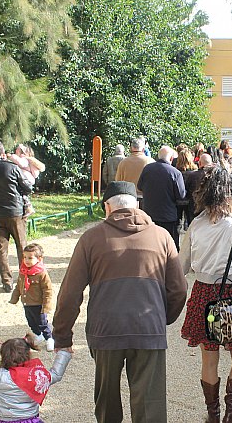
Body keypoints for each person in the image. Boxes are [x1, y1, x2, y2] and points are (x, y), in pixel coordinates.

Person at [51, 181, 187, 423]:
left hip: (106, 330)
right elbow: (178, 290)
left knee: (106, 400)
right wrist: (160, 318)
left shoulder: (91, 239)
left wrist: (62, 336)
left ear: (107, 207)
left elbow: (70, 293)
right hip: (148, 328)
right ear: (138, 205)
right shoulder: (162, 236)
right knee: (150, 404)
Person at [180, 167, 232, 423]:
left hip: (204, 295)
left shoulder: (196, 224)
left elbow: (181, 265)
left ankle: (212, 414)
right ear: (226, 197)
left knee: (209, 359)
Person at [0, 337, 71, 423]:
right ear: (28, 354)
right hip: (30, 420)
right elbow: (55, 374)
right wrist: (64, 353)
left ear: (3, 356)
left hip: (4, 420)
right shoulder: (37, 376)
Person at [0, 140, 32, 293]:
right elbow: (27, 187)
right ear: (3, 153)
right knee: (21, 246)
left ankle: (6, 281)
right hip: (15, 212)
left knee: (1, 249)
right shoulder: (11, 167)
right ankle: (25, 279)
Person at [138, 146, 186, 250]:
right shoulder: (175, 173)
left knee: (150, 245)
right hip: (168, 216)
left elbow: (139, 186)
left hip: (149, 214)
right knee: (169, 246)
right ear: (171, 158)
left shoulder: (147, 169)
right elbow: (181, 195)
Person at [10, 243, 55, 352]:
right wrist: (14, 298)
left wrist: (46, 305)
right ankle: (38, 334)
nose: (26, 260)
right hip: (27, 303)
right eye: (25, 257)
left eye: (30, 258)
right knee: (31, 321)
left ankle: (49, 338)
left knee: (42, 323)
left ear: (39, 259)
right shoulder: (23, 271)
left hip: (39, 304)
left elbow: (47, 290)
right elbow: (19, 286)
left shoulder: (41, 273)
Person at [8, 143, 45, 218]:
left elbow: (22, 164)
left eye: (17, 149)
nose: (16, 150)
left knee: (21, 194)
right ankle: (28, 208)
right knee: (23, 195)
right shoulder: (29, 160)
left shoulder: (23, 159)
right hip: (26, 180)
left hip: (24, 180)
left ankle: (28, 208)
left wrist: (10, 156)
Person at [115, 136, 155, 202]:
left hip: (128, 196)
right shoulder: (151, 162)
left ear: (131, 148)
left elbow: (118, 181)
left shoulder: (123, 163)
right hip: (146, 197)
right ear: (143, 149)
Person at [184, 153, 214, 226]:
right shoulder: (216, 176)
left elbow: (186, 191)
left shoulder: (192, 176)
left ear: (199, 163)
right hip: (210, 209)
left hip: (194, 209)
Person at [176, 148, 198, 231]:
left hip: (177, 200)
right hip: (191, 201)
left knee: (176, 225)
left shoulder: (175, 172)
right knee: (191, 225)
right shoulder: (194, 172)